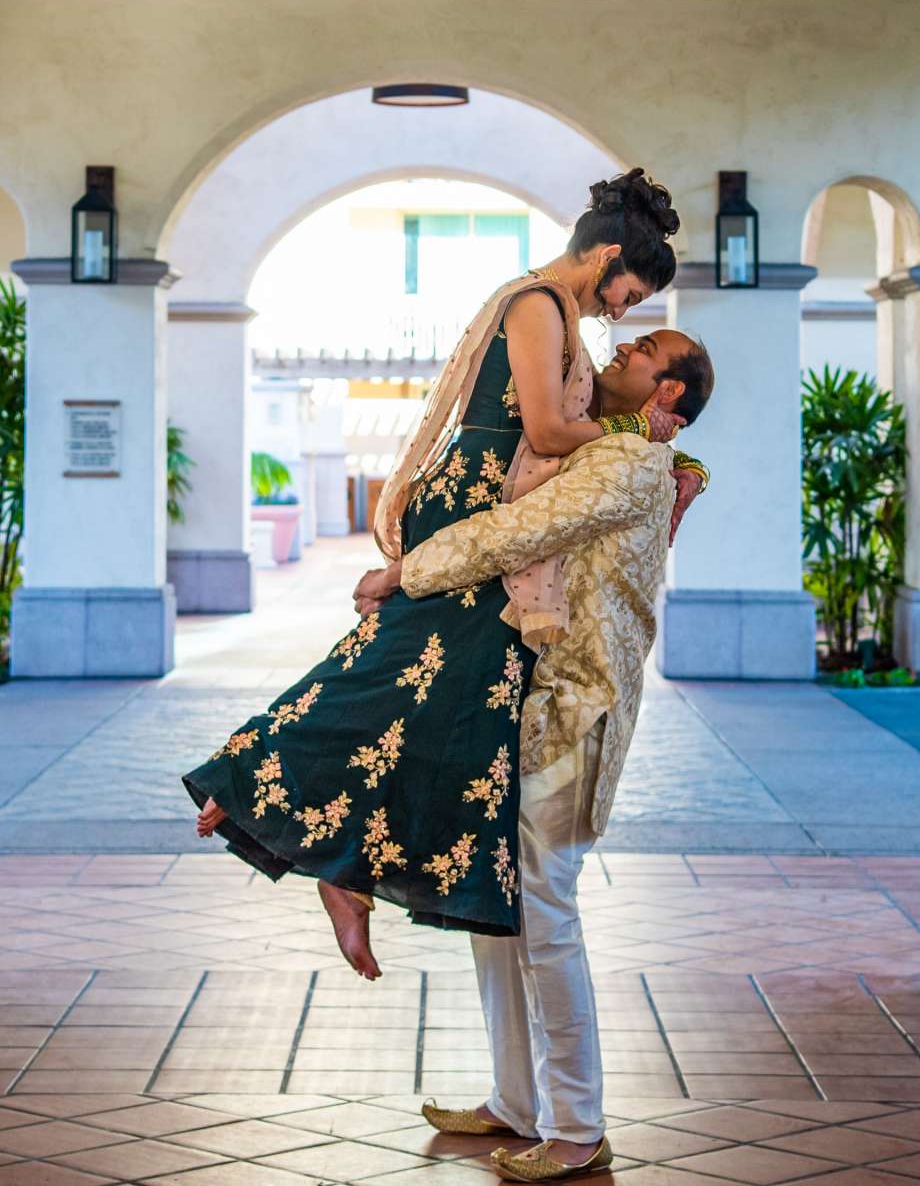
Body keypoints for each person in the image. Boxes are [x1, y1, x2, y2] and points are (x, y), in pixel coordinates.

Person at [183, 169, 683, 971]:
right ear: (608, 256)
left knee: (449, 706)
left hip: (492, 506)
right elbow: (552, 431)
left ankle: (340, 863)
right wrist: (632, 445)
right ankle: (249, 785)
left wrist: (654, 451)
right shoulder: (538, 305)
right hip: (473, 502)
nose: (623, 312)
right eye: (629, 292)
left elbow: (562, 430)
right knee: (391, 672)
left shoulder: (556, 312)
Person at [370, 328, 717, 1184]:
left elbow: (514, 532)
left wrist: (403, 570)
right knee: (502, 908)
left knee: (547, 914)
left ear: (665, 397)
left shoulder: (628, 466)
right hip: (528, 706)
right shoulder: (604, 451)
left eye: (642, 350)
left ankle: (578, 1125)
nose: (620, 347)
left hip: (575, 713)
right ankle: (516, 1102)